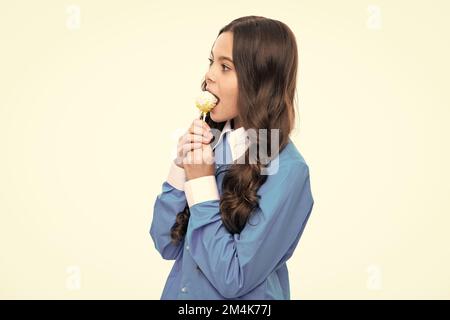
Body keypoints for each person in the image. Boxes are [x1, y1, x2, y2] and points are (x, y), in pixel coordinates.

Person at [150, 16, 314, 299]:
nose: (209, 75)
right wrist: (180, 169)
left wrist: (201, 183)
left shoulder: (288, 170)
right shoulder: (212, 147)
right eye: (211, 61)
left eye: (225, 67)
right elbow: (166, 245)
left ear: (260, 81)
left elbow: (234, 278)